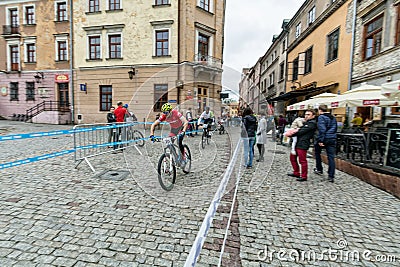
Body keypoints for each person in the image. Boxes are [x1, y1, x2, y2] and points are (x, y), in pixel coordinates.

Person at [287, 109, 317, 182]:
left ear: (313, 116)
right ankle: (296, 172)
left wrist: (291, 133)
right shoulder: (306, 122)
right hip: (298, 142)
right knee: (292, 158)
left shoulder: (312, 123)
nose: (306, 116)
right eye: (306, 114)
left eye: (308, 114)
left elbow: (301, 131)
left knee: (302, 160)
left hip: (303, 143)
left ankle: (304, 176)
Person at [314, 104, 337, 183]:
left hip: (324, 138)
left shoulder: (321, 117)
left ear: (320, 110)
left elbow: (322, 129)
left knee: (317, 152)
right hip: (332, 138)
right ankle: (331, 176)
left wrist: (321, 140)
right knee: (331, 157)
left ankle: (319, 168)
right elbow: (334, 128)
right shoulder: (333, 117)